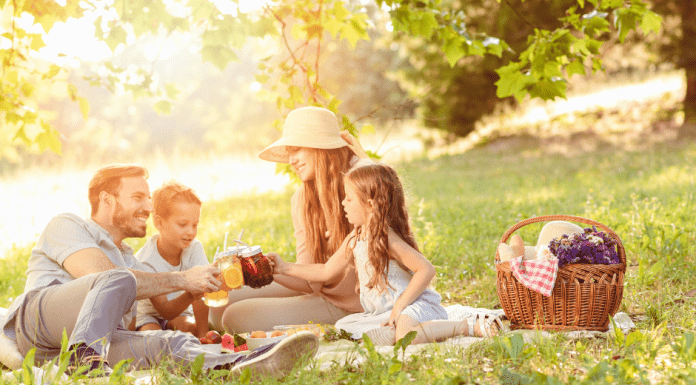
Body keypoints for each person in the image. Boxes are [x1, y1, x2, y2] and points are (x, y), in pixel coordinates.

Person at [0, 164, 318, 378]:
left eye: (149, 199)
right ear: (106, 200)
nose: (150, 208)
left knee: (169, 343)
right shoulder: (67, 224)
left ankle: (243, 366)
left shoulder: (131, 260)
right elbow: (97, 276)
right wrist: (183, 278)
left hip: (75, 352)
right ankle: (90, 362)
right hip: (38, 325)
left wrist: (203, 284)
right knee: (118, 277)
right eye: (138, 197)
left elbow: (154, 303)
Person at [271, 163, 503, 345]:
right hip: (384, 311)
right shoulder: (355, 237)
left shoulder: (386, 237)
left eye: (349, 198)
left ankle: (465, 326)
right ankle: (405, 327)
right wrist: (284, 268)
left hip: (413, 304)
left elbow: (426, 269)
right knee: (346, 327)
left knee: (405, 337)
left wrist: (400, 306)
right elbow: (325, 270)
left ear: (370, 204)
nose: (343, 203)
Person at [210, 106, 373, 333]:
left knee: (235, 317)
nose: (292, 160)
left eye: (297, 149)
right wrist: (266, 270)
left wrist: (366, 160)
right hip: (321, 288)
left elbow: (392, 210)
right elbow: (308, 281)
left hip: (355, 304)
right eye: (289, 152)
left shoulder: (362, 180)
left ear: (320, 145)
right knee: (219, 306)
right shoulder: (302, 199)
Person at [135, 181, 209, 339]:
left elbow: (201, 298)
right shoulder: (145, 261)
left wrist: (204, 336)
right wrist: (193, 292)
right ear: (159, 223)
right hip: (149, 316)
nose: (190, 232)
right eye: (183, 224)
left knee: (191, 332)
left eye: (195, 225)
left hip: (180, 312)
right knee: (155, 339)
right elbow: (165, 310)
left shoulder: (194, 248)